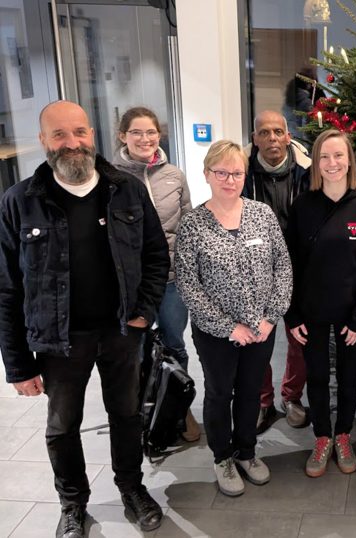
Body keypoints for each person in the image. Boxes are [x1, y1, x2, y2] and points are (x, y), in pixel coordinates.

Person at [0, 101, 168, 537]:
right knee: (62, 426)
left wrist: (144, 313)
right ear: (43, 141)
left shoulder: (127, 189)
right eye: (59, 135)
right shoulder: (19, 202)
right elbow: (7, 288)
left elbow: (155, 255)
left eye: (79, 132)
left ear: (92, 134)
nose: (71, 143)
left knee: (126, 415)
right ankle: (72, 503)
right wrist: (17, 364)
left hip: (120, 331)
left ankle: (131, 487)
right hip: (58, 340)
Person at [175, 140, 292, 497]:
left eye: (236, 172)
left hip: (262, 328)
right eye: (221, 172)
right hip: (216, 334)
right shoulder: (193, 223)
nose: (229, 179)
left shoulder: (262, 215)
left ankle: (246, 451)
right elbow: (188, 285)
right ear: (207, 174)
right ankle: (222, 456)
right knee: (220, 392)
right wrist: (229, 327)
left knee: (250, 392)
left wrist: (271, 318)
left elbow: (283, 269)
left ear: (245, 174)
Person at [286, 129, 356, 478]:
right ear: (316, 162)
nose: (332, 163)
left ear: (349, 161)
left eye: (339, 156)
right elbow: (290, 264)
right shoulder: (303, 205)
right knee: (316, 376)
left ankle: (343, 435)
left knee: (349, 376)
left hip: (351, 315)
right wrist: (293, 314)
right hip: (311, 312)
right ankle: (322, 436)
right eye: (325, 156)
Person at [111, 106, 199, 443]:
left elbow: (188, 224)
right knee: (135, 348)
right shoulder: (111, 178)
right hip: (132, 286)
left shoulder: (174, 175)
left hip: (173, 279)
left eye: (150, 132)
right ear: (123, 136)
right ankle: (138, 414)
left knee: (175, 344)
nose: (145, 139)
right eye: (136, 132)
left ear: (159, 135)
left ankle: (179, 405)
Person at [243, 110, 311, 432]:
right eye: (264, 132)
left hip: (298, 270)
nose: (272, 138)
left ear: (288, 136)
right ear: (255, 139)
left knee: (299, 339)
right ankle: (263, 400)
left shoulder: (307, 172)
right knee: (258, 340)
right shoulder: (241, 173)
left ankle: (292, 396)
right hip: (256, 273)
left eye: (278, 132)